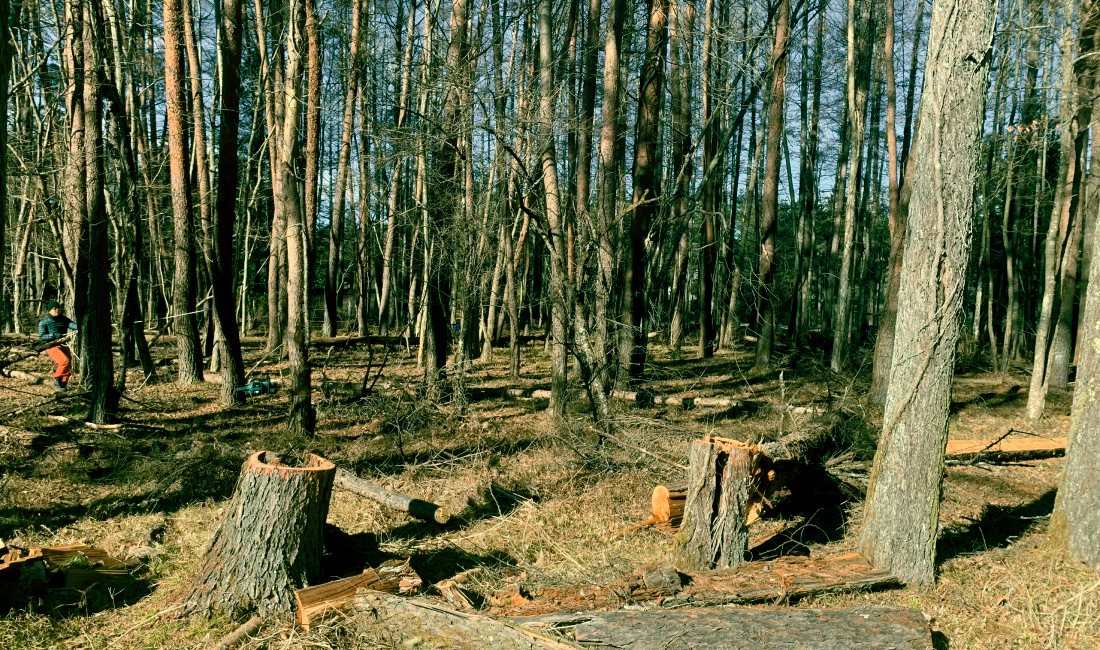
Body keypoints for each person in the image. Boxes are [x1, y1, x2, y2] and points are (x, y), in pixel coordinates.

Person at [38, 301, 78, 391]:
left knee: (68, 366)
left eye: (58, 308)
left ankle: (63, 384)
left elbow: (72, 325)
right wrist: (53, 335)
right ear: (49, 311)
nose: (57, 310)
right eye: (54, 309)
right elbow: (41, 337)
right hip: (51, 346)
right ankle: (56, 380)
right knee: (64, 361)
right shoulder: (43, 322)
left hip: (64, 344)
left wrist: (83, 325)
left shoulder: (64, 319)